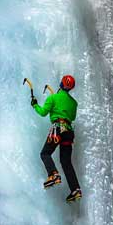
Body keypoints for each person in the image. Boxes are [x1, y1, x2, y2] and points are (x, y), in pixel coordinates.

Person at [31, 74, 81, 202]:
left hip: (58, 129)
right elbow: (72, 117)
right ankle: (75, 190)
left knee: (45, 153)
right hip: (68, 132)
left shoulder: (53, 97)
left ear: (61, 84)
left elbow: (42, 112)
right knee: (66, 162)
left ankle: (53, 175)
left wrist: (35, 104)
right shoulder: (74, 103)